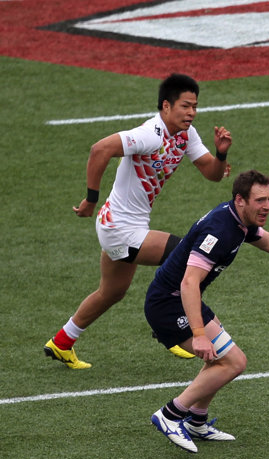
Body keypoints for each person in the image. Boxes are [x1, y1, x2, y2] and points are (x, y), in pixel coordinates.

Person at [45, 72, 233, 370]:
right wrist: (90, 199)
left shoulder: (186, 135)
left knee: (111, 292)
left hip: (126, 227)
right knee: (186, 258)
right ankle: (171, 330)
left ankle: (62, 342)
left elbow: (211, 173)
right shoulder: (150, 135)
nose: (192, 113)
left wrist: (221, 155)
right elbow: (100, 149)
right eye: (185, 106)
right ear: (166, 106)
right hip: (119, 229)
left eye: (195, 106)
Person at [145, 170, 269, 452]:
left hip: (179, 299)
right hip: (170, 304)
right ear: (240, 200)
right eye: (260, 200)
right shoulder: (219, 231)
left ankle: (196, 420)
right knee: (233, 362)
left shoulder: (238, 220)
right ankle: (170, 415)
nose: (267, 206)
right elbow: (189, 282)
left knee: (218, 357)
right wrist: (198, 334)